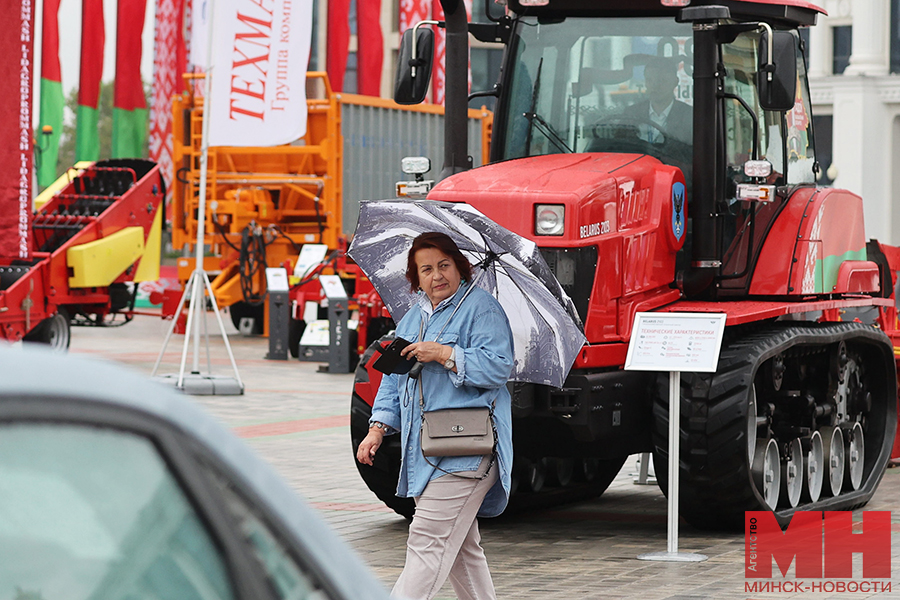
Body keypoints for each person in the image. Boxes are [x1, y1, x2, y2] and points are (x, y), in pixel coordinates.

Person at [356, 231, 514, 600]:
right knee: (460, 550)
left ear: (460, 266)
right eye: (425, 269)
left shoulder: (482, 309)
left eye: (444, 265)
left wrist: (445, 354)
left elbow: (498, 368)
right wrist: (378, 428)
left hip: (466, 450)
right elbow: (393, 380)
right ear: (415, 277)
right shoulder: (413, 318)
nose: (436, 275)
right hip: (426, 450)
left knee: (427, 540)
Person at [625, 56, 692, 144]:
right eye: (649, 80)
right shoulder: (630, 114)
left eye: (662, 80)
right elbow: (622, 147)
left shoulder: (690, 117)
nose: (655, 85)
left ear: (675, 82)